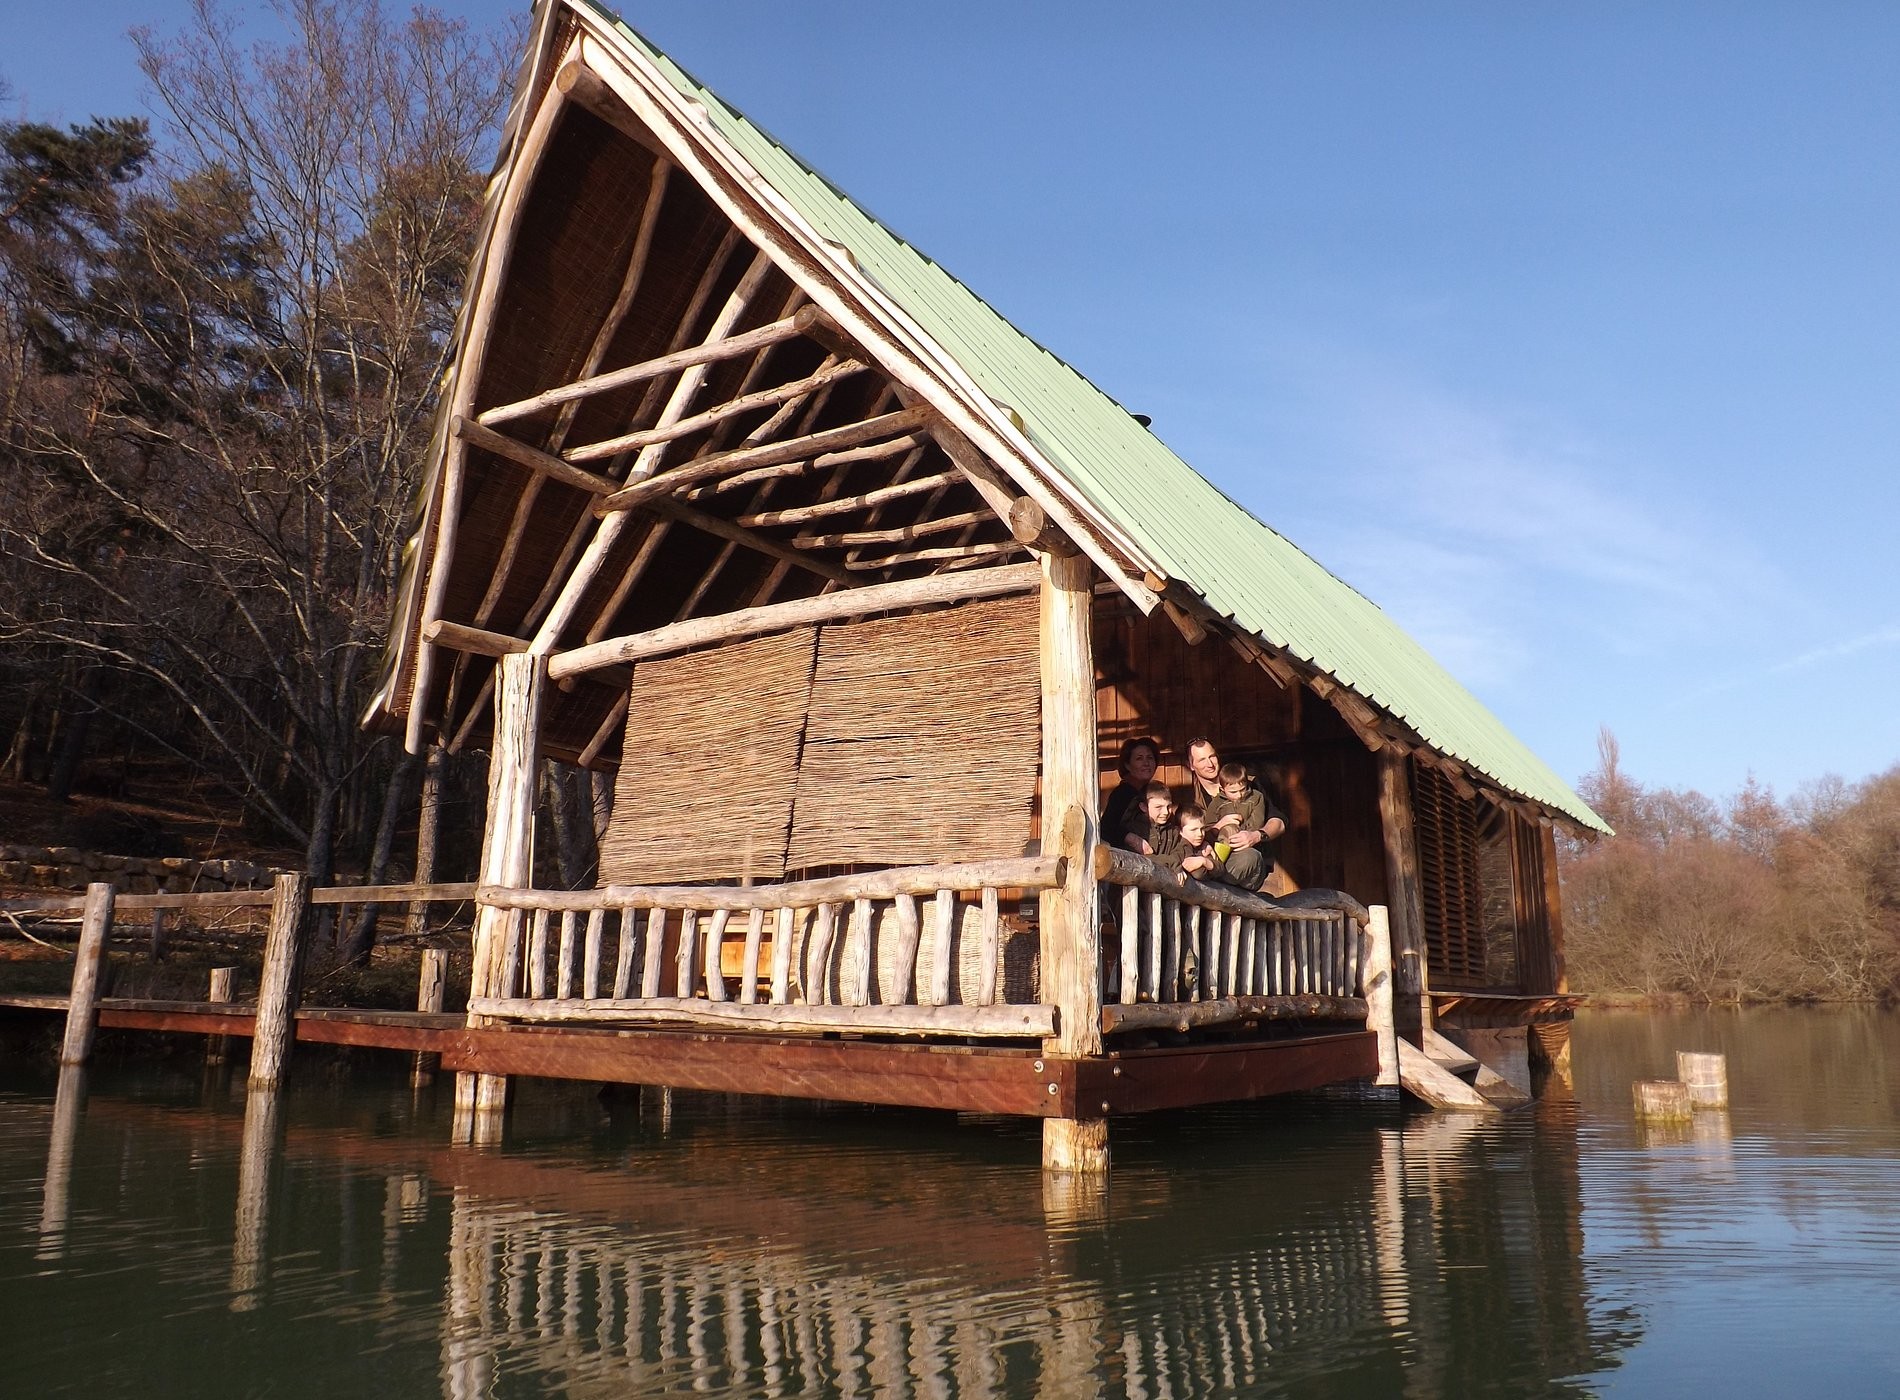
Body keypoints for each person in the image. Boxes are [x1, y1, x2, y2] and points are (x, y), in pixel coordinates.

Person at [1184, 738, 1284, 892]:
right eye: (1202, 760)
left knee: (1249, 857)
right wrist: (1218, 827)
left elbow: (1279, 822)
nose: (1210, 764)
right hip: (1214, 859)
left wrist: (1256, 835)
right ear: (1191, 765)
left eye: (1212, 756)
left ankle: (1212, 884)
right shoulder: (1190, 799)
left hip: (1246, 859)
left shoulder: (1248, 785)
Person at [1102, 736, 1160, 854]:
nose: (1146, 763)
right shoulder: (1123, 794)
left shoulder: (1154, 792)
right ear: (1127, 765)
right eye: (1139, 758)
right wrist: (1130, 838)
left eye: (1150, 758)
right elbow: (1106, 828)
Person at [1121, 780, 1187, 868]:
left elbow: (1182, 850)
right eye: (1158, 807)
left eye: (1169, 806)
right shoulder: (1134, 830)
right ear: (1143, 807)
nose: (1166, 812)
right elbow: (1137, 859)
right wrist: (1171, 862)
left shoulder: (1173, 831)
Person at [1175, 804, 1219, 880]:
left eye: (1202, 829)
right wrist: (1208, 863)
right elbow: (1199, 873)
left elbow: (1221, 868)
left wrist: (1204, 861)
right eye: (1193, 830)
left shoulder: (1203, 846)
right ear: (1179, 831)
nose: (1200, 834)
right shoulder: (1181, 848)